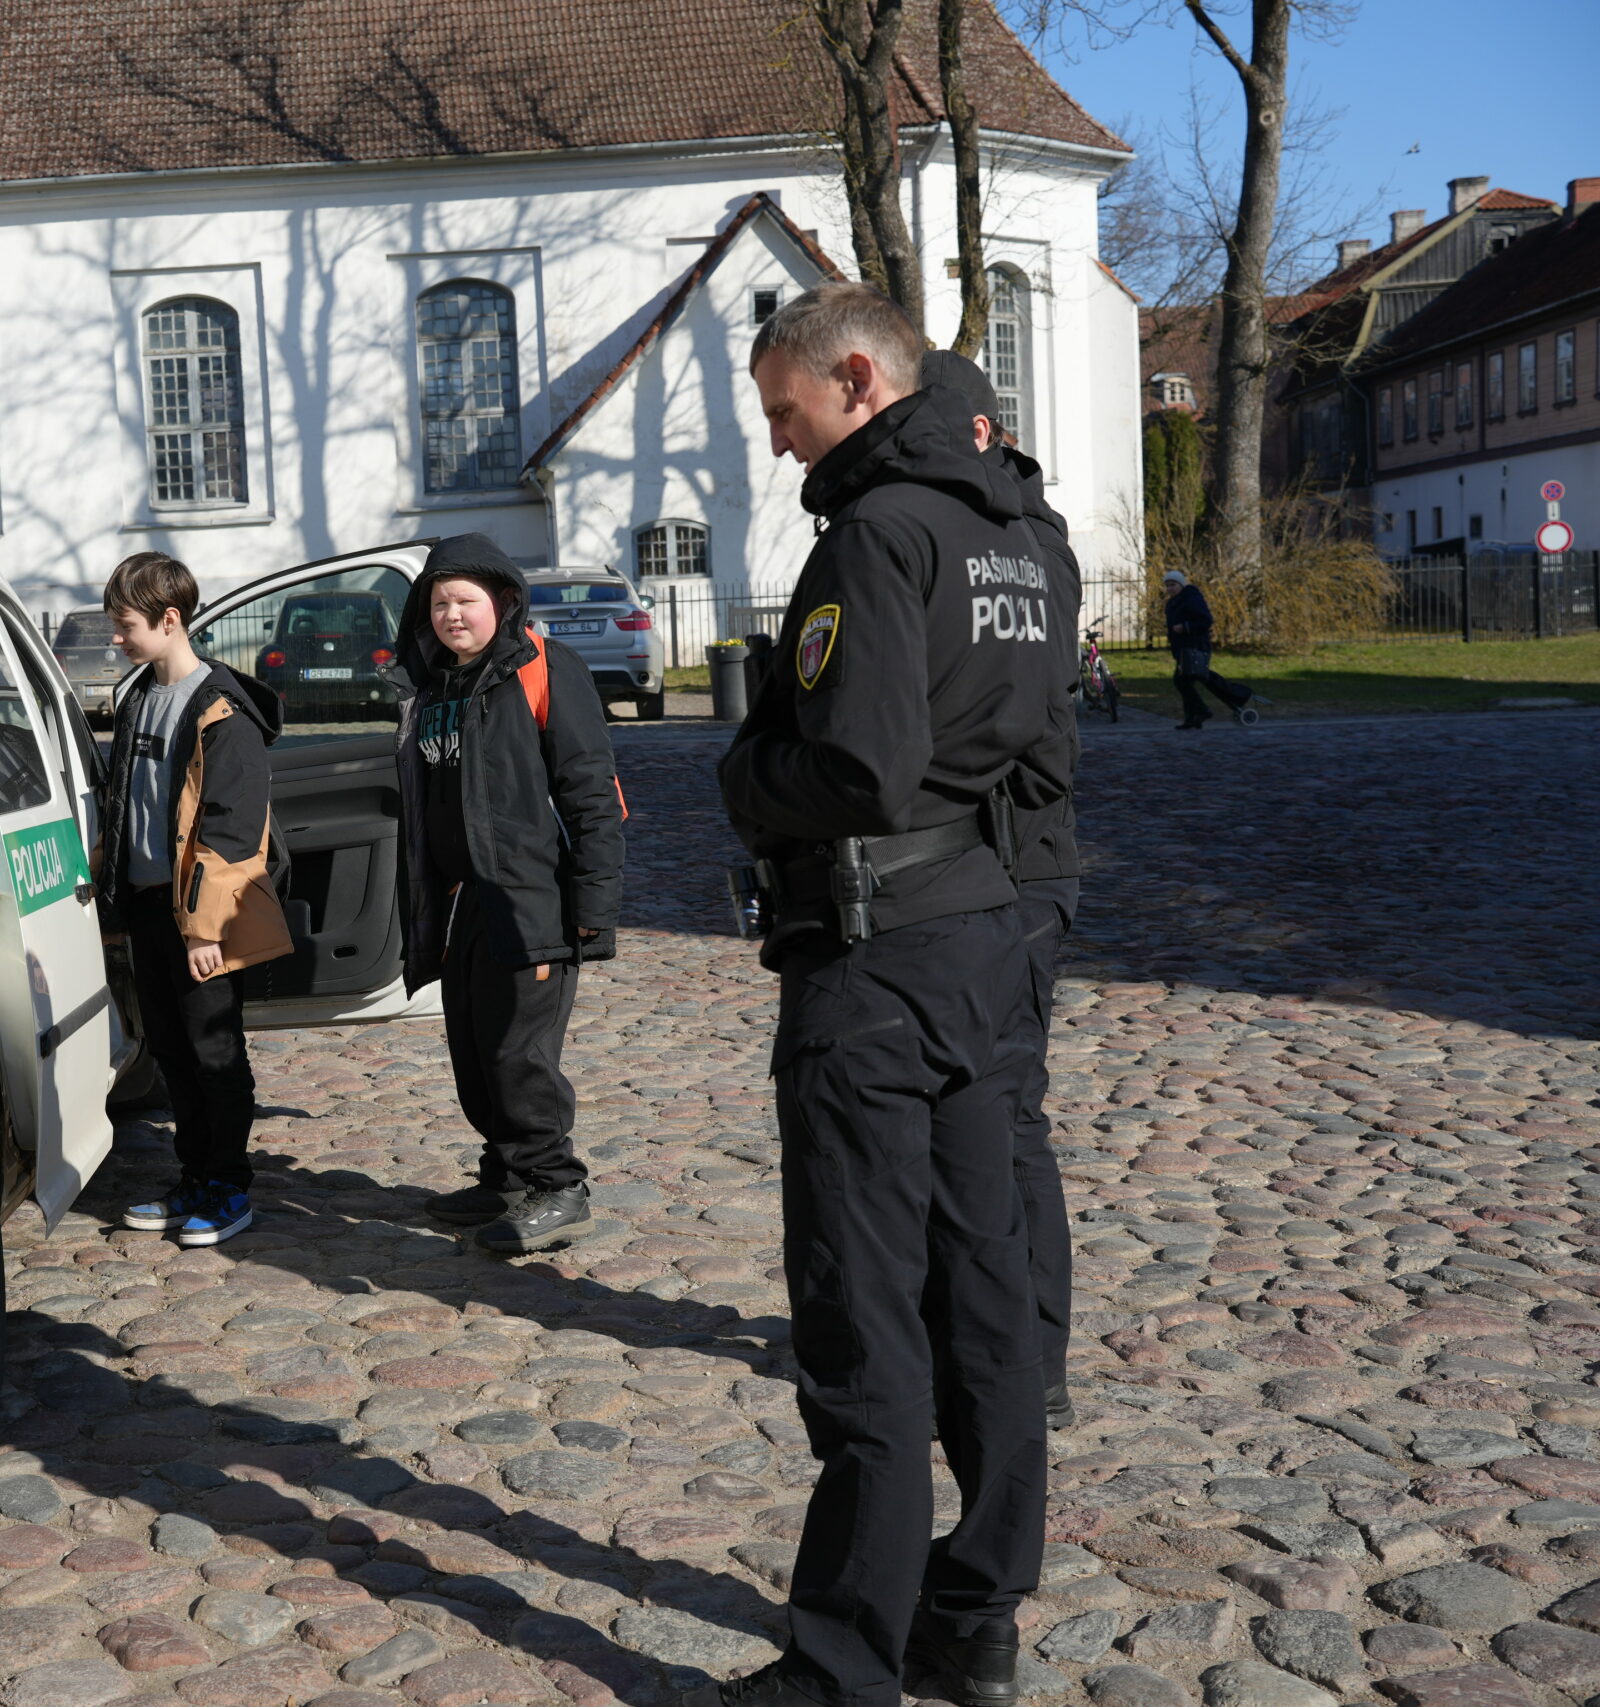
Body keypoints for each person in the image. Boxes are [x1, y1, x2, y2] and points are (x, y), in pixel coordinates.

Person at [708, 286, 1053, 1707]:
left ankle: (844, 1659)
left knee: (862, 1312)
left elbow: (857, 767)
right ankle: (974, 1612)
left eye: (785, 411)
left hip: (875, 964)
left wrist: (741, 772)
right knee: (988, 1293)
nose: (779, 442)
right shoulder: (1020, 531)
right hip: (986, 938)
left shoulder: (879, 531)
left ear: (857, 379)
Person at [922, 350, 1083, 1433]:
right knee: (982, 1110)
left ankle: (1031, 1355)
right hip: (998, 859)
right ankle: (990, 1332)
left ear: (981, 434)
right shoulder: (1013, 531)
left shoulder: (1017, 540)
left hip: (1015, 860)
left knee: (1007, 1111)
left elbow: (1022, 721)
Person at [393, 534, 623, 1256]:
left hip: (533, 903)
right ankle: (506, 1177)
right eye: (440, 603)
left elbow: (593, 794)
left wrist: (593, 909)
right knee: (473, 1048)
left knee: (518, 1056)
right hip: (467, 904)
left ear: (503, 602)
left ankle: (558, 1187)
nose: (452, 615)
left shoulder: (545, 667)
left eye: (466, 601)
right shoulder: (434, 687)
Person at [92, 551, 293, 1248]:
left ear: (170, 619)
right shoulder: (138, 698)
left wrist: (206, 930)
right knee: (172, 1053)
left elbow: (231, 830)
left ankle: (228, 1186)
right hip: (148, 909)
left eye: (125, 625)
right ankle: (194, 1176)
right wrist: (110, 901)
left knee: (214, 1052)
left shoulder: (222, 710)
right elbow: (124, 807)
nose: (117, 638)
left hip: (201, 917)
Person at [1163, 568, 1257, 728]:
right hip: (1182, 648)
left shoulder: (1191, 598)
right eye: (1167, 585)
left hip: (1195, 646)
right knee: (1193, 679)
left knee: (1184, 680)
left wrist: (1185, 627)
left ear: (1181, 585)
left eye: (1173, 585)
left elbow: (1205, 620)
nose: (1170, 588)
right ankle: (1199, 714)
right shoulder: (1173, 603)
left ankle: (1201, 712)